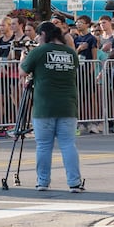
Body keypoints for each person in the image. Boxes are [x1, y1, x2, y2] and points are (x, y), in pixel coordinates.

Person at [20, 20, 84, 193]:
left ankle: (42, 181)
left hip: (44, 106)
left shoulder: (39, 51)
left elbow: (23, 71)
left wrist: (25, 56)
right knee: (68, 144)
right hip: (68, 105)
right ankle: (74, 182)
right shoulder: (71, 53)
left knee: (43, 145)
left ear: (42, 35)